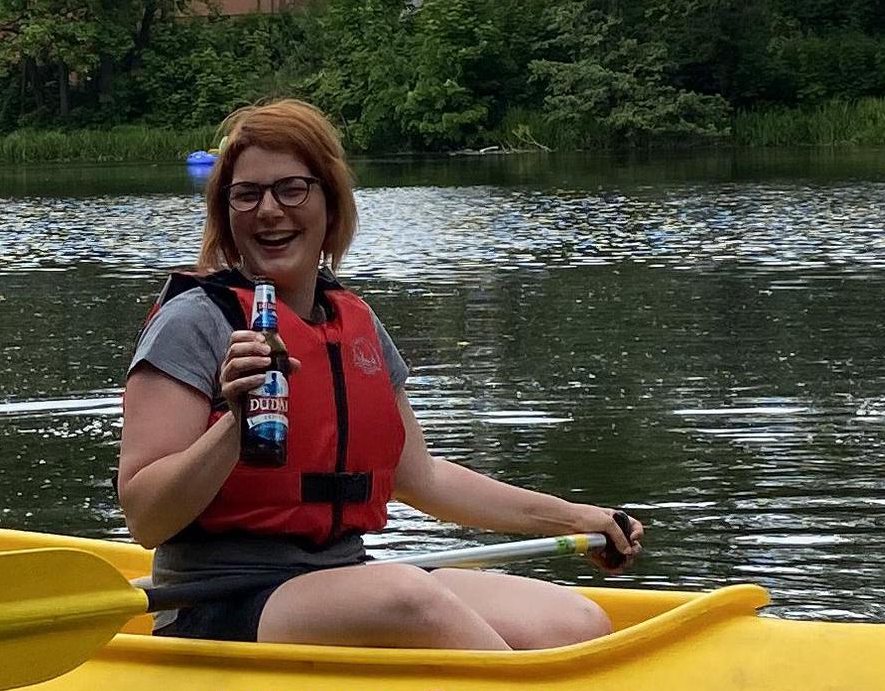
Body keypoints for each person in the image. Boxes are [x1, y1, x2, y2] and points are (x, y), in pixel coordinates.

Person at [117, 99, 639, 650]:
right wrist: (235, 424)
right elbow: (146, 518)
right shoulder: (193, 321)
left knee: (574, 621)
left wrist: (576, 518)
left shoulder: (356, 321)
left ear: (331, 204)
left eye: (291, 189)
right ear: (226, 212)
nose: (268, 210)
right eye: (247, 194)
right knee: (407, 595)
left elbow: (423, 478)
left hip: (340, 578)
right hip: (218, 600)